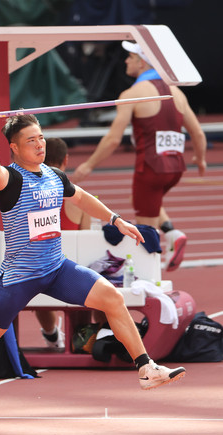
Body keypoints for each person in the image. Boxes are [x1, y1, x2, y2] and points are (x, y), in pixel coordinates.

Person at [0, 112, 187, 430]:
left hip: (56, 268)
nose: (40, 144)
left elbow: (82, 198)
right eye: (31, 140)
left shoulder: (55, 176)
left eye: (41, 137)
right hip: (20, 277)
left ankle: (146, 368)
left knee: (112, 297)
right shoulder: (9, 181)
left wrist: (117, 220)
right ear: (13, 148)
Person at [72, 41, 207, 272]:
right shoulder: (176, 92)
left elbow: (113, 139)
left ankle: (150, 278)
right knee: (148, 201)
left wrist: (89, 164)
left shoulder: (132, 94)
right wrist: (201, 159)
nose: (125, 61)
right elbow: (197, 132)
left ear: (142, 61)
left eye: (130, 57)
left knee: (145, 233)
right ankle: (173, 233)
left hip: (151, 168)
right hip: (175, 167)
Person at [35, 137, 92, 348]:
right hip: (71, 270)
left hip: (40, 269)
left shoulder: (30, 194)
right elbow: (87, 243)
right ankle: (83, 335)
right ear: (65, 160)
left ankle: (51, 335)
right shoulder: (77, 198)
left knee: (35, 277)